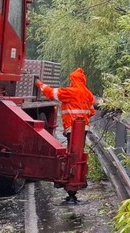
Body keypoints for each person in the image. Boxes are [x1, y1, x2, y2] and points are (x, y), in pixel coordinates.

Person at [37, 68, 97, 203]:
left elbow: (51, 93)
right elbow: (92, 111)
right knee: (79, 153)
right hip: (84, 127)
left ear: (74, 80)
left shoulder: (71, 91)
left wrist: (39, 84)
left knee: (72, 155)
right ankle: (78, 181)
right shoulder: (87, 93)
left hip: (73, 127)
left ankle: (71, 183)